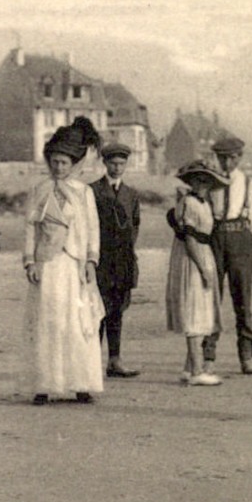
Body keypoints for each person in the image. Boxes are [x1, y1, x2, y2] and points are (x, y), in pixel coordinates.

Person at [22, 118, 105, 405]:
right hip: (48, 264)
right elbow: (30, 227)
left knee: (76, 321)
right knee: (49, 321)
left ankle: (81, 384)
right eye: (54, 162)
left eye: (64, 163)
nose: (58, 168)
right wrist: (30, 262)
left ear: (73, 164)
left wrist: (91, 261)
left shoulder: (84, 192)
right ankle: (45, 385)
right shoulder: (39, 190)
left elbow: (93, 228)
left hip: (74, 264)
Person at [203, 135, 252, 375]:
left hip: (240, 240)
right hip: (216, 238)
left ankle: (247, 355)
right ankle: (208, 355)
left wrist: (248, 238)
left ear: (239, 158)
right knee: (211, 298)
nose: (226, 163)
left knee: (243, 299)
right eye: (222, 158)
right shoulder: (210, 182)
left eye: (231, 158)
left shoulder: (248, 183)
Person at [167, 160, 226, 386]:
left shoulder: (204, 204)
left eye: (206, 181)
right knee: (194, 311)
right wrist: (202, 268)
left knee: (201, 310)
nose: (202, 184)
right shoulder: (189, 203)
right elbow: (191, 240)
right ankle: (197, 371)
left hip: (203, 253)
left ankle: (189, 367)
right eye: (198, 180)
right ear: (191, 182)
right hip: (193, 258)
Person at [92, 141, 142, 378]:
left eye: (121, 164)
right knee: (96, 312)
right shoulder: (92, 191)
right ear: (104, 163)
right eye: (113, 163)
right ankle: (91, 362)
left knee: (117, 311)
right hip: (100, 262)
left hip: (122, 263)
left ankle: (114, 360)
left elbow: (134, 227)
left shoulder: (131, 195)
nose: (117, 168)